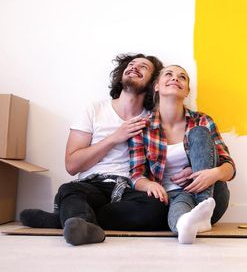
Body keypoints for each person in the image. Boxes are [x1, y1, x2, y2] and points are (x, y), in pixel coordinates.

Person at [20, 53, 169, 246]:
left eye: (143, 67)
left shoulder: (154, 118)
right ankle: (80, 221)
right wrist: (115, 137)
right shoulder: (94, 109)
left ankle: (69, 219)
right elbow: (72, 165)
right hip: (93, 185)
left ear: (153, 82)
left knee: (157, 207)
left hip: (131, 188)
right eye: (131, 64)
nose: (134, 67)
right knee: (70, 190)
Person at [129, 65, 235, 244]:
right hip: (170, 198)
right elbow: (136, 174)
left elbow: (229, 167)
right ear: (156, 86)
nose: (175, 78)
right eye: (168, 74)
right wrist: (149, 185)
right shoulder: (142, 127)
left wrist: (213, 173)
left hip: (212, 196)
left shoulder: (202, 120)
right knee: (181, 209)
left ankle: (203, 209)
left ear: (187, 91)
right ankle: (186, 225)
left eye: (182, 77)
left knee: (199, 132)